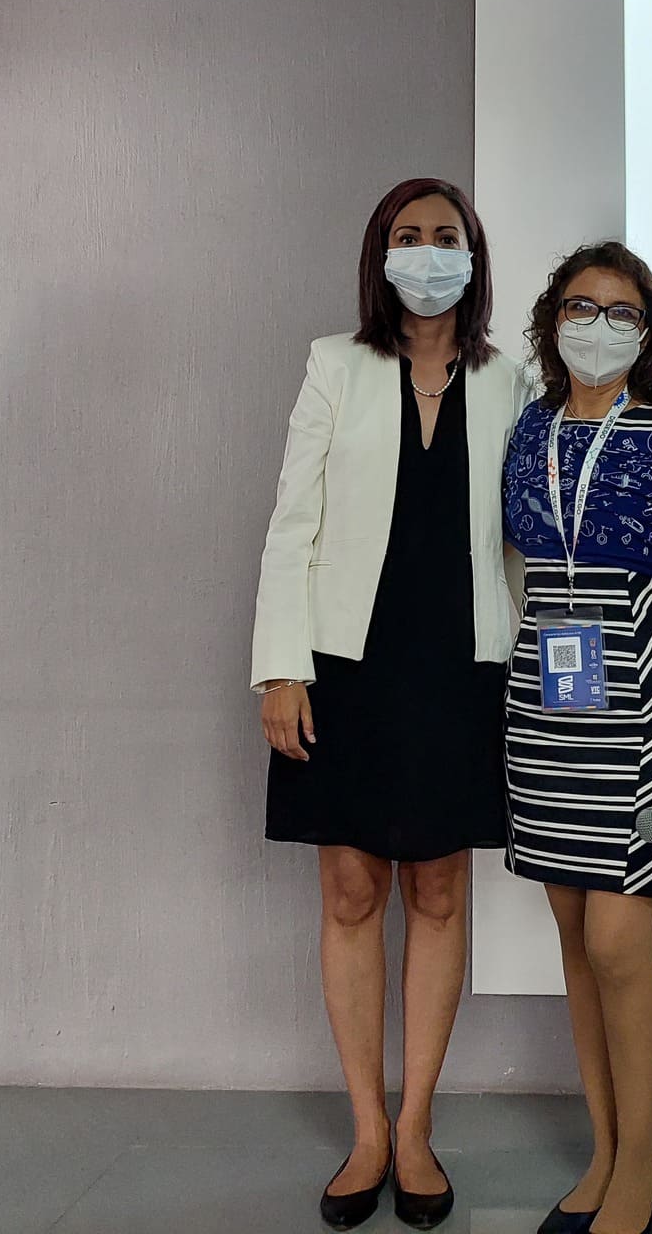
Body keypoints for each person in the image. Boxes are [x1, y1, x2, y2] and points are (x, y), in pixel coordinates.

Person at [251, 177, 529, 1231]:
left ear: (472, 255)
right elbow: (293, 522)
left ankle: (416, 1127)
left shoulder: (510, 377)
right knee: (350, 892)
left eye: (444, 235)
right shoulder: (335, 364)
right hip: (345, 663)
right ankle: (366, 1130)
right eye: (407, 236)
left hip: (463, 662)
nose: (427, 252)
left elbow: (525, 535)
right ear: (379, 255)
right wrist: (281, 668)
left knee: (442, 892)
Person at [500, 242, 652, 1234]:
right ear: (552, 318)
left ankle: (640, 1164)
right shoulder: (531, 427)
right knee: (574, 937)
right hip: (546, 714)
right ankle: (601, 1153)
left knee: (617, 940)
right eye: (579, 306)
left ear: (649, 331)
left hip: (646, 712)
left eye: (621, 311)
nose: (597, 325)